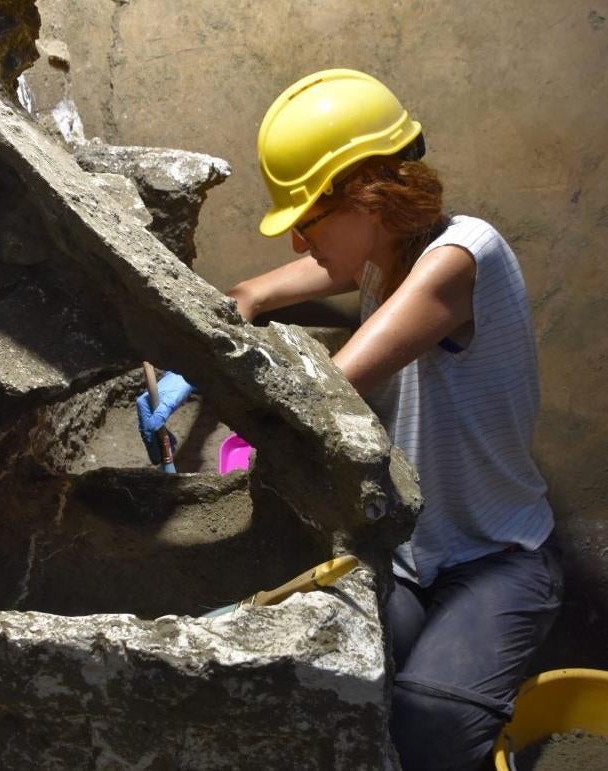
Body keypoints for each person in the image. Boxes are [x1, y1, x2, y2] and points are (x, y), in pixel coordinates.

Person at [137, 69, 563, 771]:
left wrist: (223, 389)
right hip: (408, 550)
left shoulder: (463, 255)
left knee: (429, 723)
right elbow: (254, 290)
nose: (301, 243)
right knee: (326, 672)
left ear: (367, 195)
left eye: (307, 220)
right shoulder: (383, 257)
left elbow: (331, 389)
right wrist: (215, 328)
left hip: (500, 556)